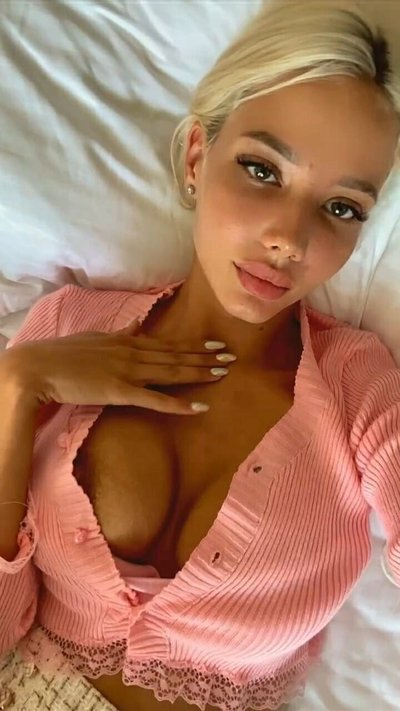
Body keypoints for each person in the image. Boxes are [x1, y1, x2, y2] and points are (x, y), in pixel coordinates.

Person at [0, 1, 400, 710]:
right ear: (195, 157)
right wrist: (15, 384)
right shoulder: (64, 329)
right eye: (262, 169)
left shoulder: (358, 388)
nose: (289, 239)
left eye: (341, 208)